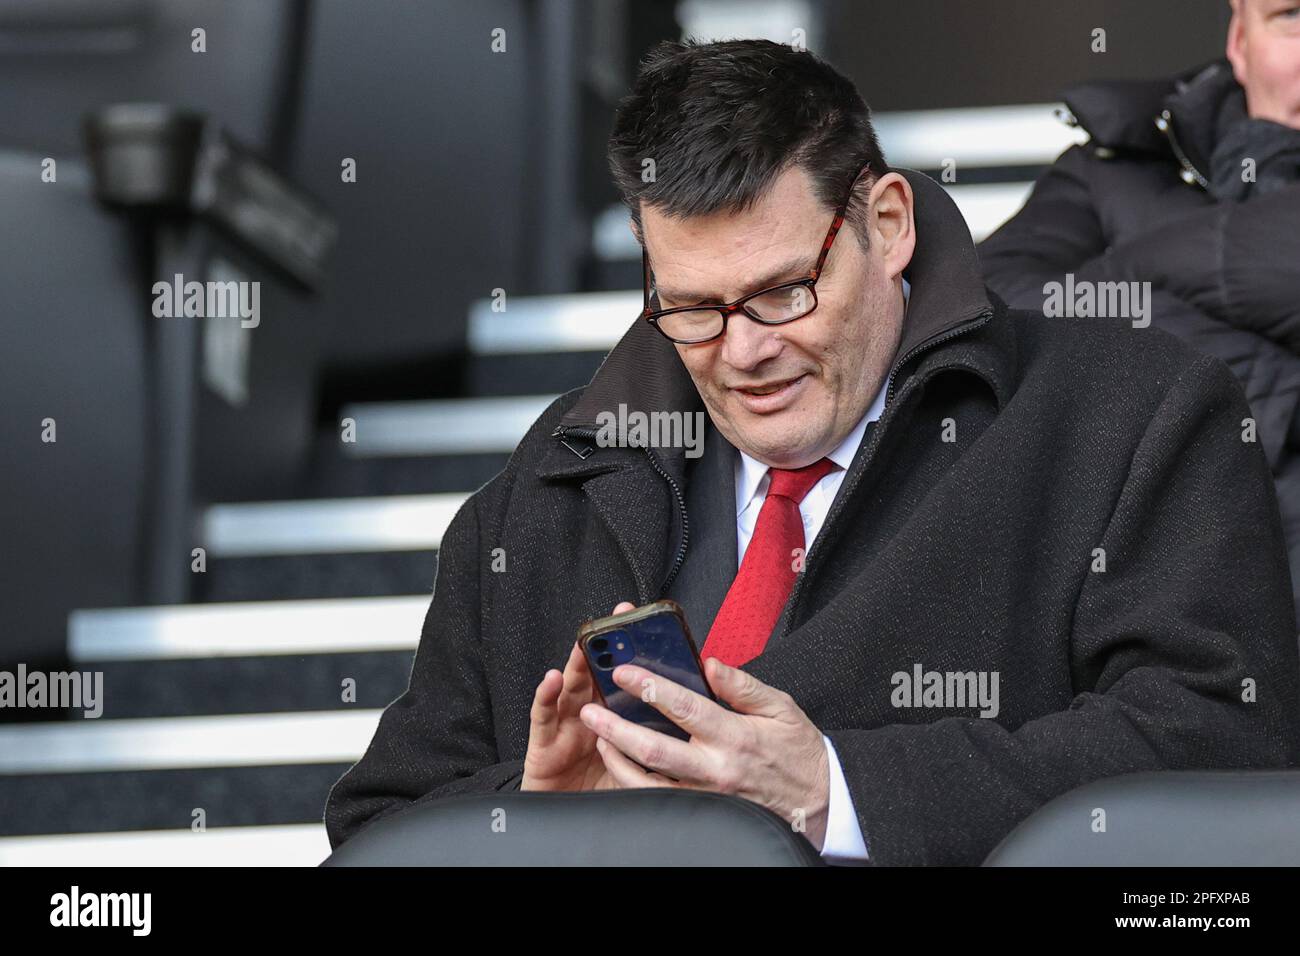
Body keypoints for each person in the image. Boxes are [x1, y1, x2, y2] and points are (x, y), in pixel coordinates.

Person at [325, 38, 1300, 866]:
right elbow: (377, 829)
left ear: (887, 225)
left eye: (784, 291)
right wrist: (532, 816)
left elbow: (1226, 734)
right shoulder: (553, 479)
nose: (743, 349)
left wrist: (835, 789)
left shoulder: (1133, 412)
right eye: (693, 308)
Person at [981, 0, 1300, 619]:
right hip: (1181, 634)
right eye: (1290, 16)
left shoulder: (1114, 214)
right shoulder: (1111, 168)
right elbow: (993, 302)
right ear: (1239, 39)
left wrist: (1121, 274)